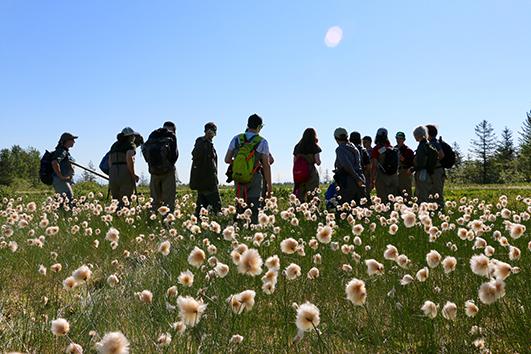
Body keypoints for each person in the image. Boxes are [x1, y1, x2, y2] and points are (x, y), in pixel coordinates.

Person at [224, 114, 272, 224]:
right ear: (259, 127)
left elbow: (227, 159)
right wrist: (269, 187)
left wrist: (239, 164)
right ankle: (252, 231)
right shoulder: (262, 142)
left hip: (239, 178)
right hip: (254, 178)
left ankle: (237, 231)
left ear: (247, 124)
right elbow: (266, 165)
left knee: (240, 206)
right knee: (253, 208)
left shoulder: (236, 139)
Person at [143, 121, 179, 212]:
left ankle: (153, 220)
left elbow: (145, 153)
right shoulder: (172, 136)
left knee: (155, 201)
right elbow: (174, 156)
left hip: (154, 172)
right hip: (168, 172)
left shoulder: (153, 136)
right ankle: (167, 223)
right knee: (168, 202)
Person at [190, 122, 221, 217]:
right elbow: (198, 157)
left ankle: (198, 225)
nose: (212, 134)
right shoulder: (202, 143)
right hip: (207, 181)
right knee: (216, 206)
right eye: (211, 131)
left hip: (204, 181)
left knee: (201, 206)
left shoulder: (207, 144)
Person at [333, 128, 366, 207]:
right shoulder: (354, 148)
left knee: (345, 209)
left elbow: (347, 166)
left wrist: (357, 179)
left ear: (336, 138)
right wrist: (359, 179)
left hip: (348, 181)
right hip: (361, 178)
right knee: (360, 210)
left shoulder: (340, 149)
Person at [108, 127, 139, 207]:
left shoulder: (114, 145)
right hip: (124, 171)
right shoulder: (130, 145)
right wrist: (133, 174)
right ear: (130, 136)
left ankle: (116, 217)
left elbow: (110, 160)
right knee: (126, 200)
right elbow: (129, 158)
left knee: (115, 200)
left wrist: (112, 173)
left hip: (113, 171)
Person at [370, 128, 399, 204]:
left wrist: (372, 179)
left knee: (382, 201)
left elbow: (374, 165)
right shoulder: (391, 148)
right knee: (392, 199)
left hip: (381, 176)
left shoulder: (377, 149)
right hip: (393, 176)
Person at [293, 128, 322, 202]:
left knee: (300, 196)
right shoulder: (314, 146)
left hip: (299, 173)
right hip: (311, 172)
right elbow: (318, 162)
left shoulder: (297, 147)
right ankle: (313, 212)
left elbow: (294, 161)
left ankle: (300, 212)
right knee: (313, 196)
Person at [411, 126, 438, 204]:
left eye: (415, 135)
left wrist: (412, 169)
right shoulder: (427, 145)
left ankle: (423, 213)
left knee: (422, 194)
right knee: (426, 193)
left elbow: (421, 162)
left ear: (418, 135)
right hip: (427, 173)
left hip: (422, 173)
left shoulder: (421, 146)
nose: (414, 137)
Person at [51, 132, 77, 203]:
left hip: (63, 181)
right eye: (72, 140)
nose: (74, 142)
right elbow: (54, 162)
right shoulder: (62, 151)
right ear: (67, 141)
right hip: (61, 181)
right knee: (69, 202)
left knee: (64, 203)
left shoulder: (64, 151)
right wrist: (61, 177)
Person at [426, 124, 445, 209]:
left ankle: (440, 210)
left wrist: (433, 161)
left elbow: (441, 155)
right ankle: (436, 211)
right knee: (432, 192)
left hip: (436, 171)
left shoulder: (434, 143)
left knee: (437, 192)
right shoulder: (433, 142)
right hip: (435, 171)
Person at [350, 132, 371, 198]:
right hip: (361, 176)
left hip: (349, 177)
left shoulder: (347, 149)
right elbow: (368, 166)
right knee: (363, 197)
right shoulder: (363, 150)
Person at [395, 131, 415, 200]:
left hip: (405, 172)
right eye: (397, 138)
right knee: (396, 192)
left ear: (404, 140)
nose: (399, 140)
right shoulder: (394, 149)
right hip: (395, 172)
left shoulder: (408, 150)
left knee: (406, 191)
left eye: (401, 138)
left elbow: (413, 163)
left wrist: (403, 159)